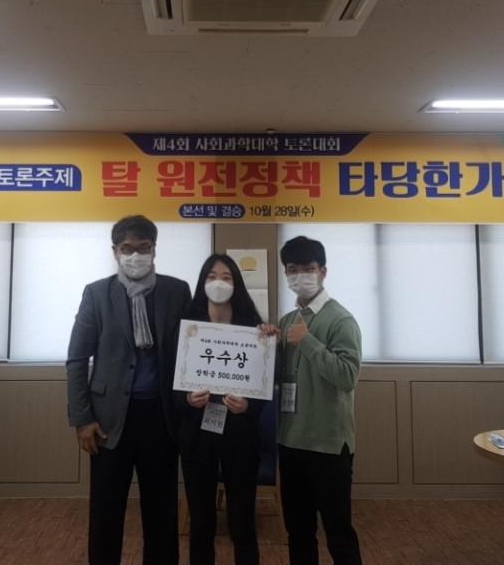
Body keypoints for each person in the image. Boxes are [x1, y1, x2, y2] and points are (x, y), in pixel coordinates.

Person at [65, 215, 192, 565]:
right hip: (108, 421)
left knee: (161, 512)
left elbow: (198, 343)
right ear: (115, 252)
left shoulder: (176, 291)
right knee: (106, 512)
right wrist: (82, 419)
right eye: (127, 249)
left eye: (143, 248)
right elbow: (77, 358)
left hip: (161, 418)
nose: (135, 256)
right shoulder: (97, 293)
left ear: (154, 250)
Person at [276, 236, 362, 565]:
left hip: (329, 445)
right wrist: (265, 344)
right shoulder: (287, 321)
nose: (300, 276)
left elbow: (347, 376)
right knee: (298, 532)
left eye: (307, 268)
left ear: (323, 272)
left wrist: (308, 342)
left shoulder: (340, 319)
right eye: (292, 269)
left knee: (338, 533)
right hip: (291, 440)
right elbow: (279, 376)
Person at [178, 254, 265, 565]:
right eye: (212, 276)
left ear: (236, 284)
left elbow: (265, 384)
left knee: (242, 523)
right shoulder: (186, 328)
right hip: (197, 436)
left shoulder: (254, 329)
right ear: (202, 283)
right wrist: (187, 400)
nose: (219, 283)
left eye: (226, 277)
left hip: (240, 436)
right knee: (201, 523)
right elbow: (171, 384)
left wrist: (248, 406)